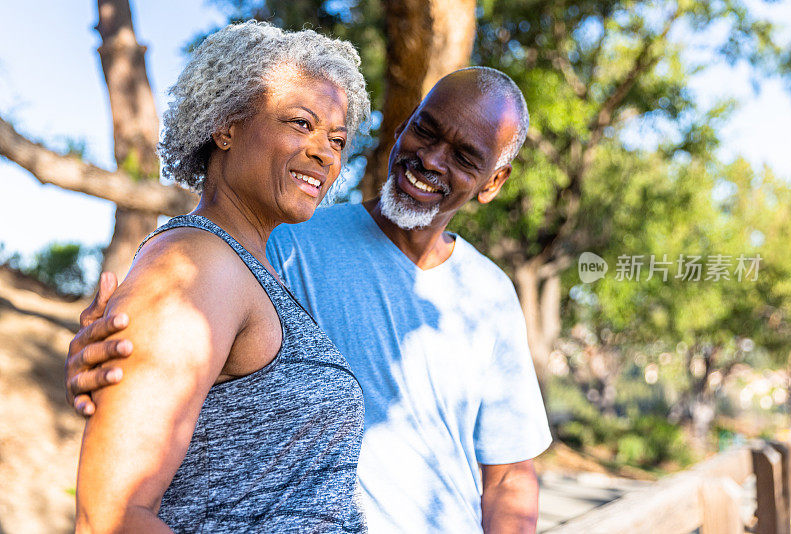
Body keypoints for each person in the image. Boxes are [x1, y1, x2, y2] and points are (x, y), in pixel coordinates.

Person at [67, 67, 552, 533]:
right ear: (403, 127)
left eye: (465, 157)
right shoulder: (281, 239)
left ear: (494, 182)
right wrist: (110, 361)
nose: (431, 159)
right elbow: (169, 359)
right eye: (426, 131)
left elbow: (509, 474)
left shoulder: (491, 294)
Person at [72, 21, 371, 533]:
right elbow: (110, 517)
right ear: (226, 126)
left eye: (337, 138)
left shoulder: (254, 268)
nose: (326, 152)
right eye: (301, 123)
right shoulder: (194, 265)